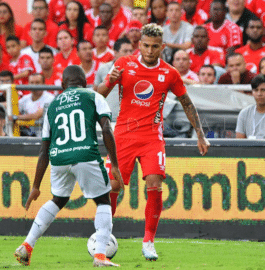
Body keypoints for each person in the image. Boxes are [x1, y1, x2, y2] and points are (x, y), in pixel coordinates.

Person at [98, 23, 210, 260]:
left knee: (154, 184)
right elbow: (98, 95)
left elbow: (186, 102)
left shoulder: (169, 73)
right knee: (114, 187)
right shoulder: (123, 64)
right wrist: (110, 81)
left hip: (151, 137)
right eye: (146, 46)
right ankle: (103, 235)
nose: (149, 51)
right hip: (124, 135)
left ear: (163, 47)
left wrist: (200, 134)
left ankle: (148, 241)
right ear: (140, 45)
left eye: (154, 47)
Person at [14, 65, 123, 267]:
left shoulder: (52, 106)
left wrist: (36, 186)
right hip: (85, 155)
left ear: (63, 84)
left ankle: (27, 245)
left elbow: (43, 149)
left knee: (58, 199)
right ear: (84, 82)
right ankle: (100, 255)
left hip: (59, 159)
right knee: (103, 200)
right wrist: (114, 163)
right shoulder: (92, 96)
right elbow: (106, 128)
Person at [94, 37, 133, 121]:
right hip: (107, 118)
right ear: (115, 52)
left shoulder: (136, 70)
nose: (129, 54)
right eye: (125, 51)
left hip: (129, 119)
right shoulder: (103, 68)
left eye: (131, 51)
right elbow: (95, 93)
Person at [236, 74, 265, 139]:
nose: (259, 94)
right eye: (256, 90)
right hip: (249, 148)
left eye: (263, 90)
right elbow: (239, 143)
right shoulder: (244, 113)